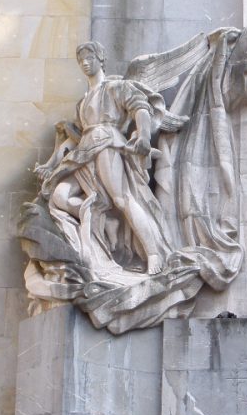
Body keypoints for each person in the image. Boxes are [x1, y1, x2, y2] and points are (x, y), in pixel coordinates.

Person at [35, 41, 178, 277]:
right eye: (81, 60)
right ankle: (105, 221)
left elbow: (140, 108)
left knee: (122, 199)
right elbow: (73, 139)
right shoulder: (82, 102)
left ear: (101, 59)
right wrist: (50, 165)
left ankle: (153, 253)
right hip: (84, 151)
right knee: (59, 196)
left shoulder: (115, 87)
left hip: (107, 144)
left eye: (89, 57)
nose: (85, 63)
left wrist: (143, 136)